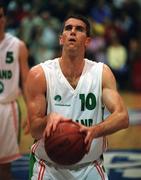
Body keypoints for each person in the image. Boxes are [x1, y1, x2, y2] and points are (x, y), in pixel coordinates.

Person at [26, 14, 129, 180]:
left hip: (90, 166)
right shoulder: (40, 74)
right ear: (61, 39)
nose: (73, 32)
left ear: (87, 41)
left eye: (79, 29)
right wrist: (48, 119)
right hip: (49, 167)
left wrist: (93, 131)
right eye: (68, 28)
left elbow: (122, 117)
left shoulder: (101, 73)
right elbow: (35, 130)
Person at [0, 3, 29, 179]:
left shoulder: (18, 45)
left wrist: (32, 111)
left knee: (4, 168)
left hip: (7, 109)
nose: (0, 19)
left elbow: (26, 80)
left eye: (1, 15)